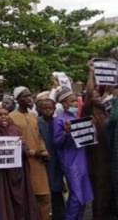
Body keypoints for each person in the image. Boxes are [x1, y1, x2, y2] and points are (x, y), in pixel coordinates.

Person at [0, 106, 40, 220]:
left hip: (18, 172)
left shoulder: (15, 129)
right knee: (5, 199)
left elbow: (24, 151)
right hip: (2, 175)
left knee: (21, 201)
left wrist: (21, 145)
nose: (3, 117)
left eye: (5, 114)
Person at [10, 86, 51, 220]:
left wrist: (43, 151)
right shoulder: (11, 118)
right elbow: (14, 143)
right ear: (17, 99)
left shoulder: (34, 116)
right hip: (23, 163)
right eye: (25, 96)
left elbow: (38, 136)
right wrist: (34, 153)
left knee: (44, 197)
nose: (29, 98)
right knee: (29, 198)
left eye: (29, 95)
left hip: (39, 163)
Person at [53, 88, 93, 220]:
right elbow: (57, 143)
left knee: (84, 195)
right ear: (64, 103)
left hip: (82, 160)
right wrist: (66, 132)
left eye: (76, 100)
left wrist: (89, 127)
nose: (76, 103)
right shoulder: (59, 120)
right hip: (70, 161)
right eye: (72, 101)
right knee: (76, 196)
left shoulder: (77, 118)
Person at [81, 60, 113, 219]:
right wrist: (91, 72)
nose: (96, 95)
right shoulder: (88, 111)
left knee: (109, 189)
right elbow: (88, 92)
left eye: (97, 94)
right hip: (97, 159)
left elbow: (111, 89)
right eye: (94, 95)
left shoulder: (106, 110)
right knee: (100, 191)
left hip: (109, 157)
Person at [37, 96, 66, 220]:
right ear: (39, 109)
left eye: (50, 108)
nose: (48, 110)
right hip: (42, 160)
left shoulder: (59, 121)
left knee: (57, 188)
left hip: (58, 159)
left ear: (54, 109)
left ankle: (59, 215)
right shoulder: (37, 123)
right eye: (45, 108)